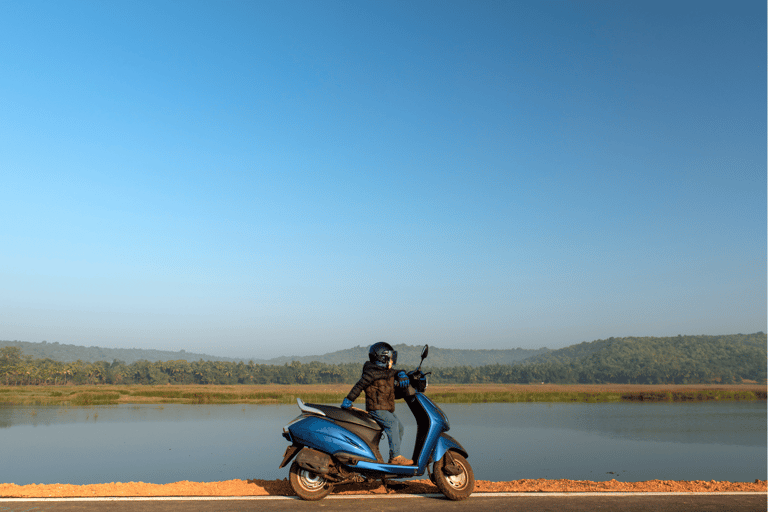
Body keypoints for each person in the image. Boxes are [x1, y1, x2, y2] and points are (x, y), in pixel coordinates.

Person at [341, 342, 413, 465]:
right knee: (393, 424)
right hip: (377, 409)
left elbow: (394, 372)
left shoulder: (387, 372)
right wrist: (349, 399)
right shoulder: (371, 373)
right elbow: (359, 386)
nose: (392, 360)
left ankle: (394, 456)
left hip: (385, 409)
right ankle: (396, 457)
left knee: (400, 427)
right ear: (382, 357)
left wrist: (402, 374)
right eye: (390, 357)